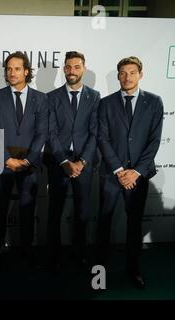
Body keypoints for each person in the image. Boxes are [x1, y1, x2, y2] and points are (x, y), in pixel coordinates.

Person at [96, 56, 164, 289]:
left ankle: (133, 269)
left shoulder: (154, 102)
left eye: (132, 72)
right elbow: (102, 138)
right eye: (123, 73)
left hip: (139, 175)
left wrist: (135, 172)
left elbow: (154, 141)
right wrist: (119, 170)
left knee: (134, 225)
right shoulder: (105, 103)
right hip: (111, 174)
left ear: (140, 74)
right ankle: (99, 273)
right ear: (118, 76)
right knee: (103, 223)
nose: (127, 77)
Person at [0, 51, 48, 266]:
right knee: (0, 209)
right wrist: (6, 159)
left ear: (27, 71)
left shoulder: (41, 98)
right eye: (9, 69)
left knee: (27, 209)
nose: (12, 73)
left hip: (29, 165)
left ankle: (26, 251)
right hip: (4, 164)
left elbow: (42, 133)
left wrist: (28, 160)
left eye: (17, 68)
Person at [43, 51, 100, 270]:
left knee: (82, 212)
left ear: (83, 68)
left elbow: (95, 132)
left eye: (76, 67)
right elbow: (51, 133)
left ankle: (79, 253)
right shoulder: (52, 97)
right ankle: (53, 255)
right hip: (59, 164)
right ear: (63, 69)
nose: (72, 71)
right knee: (55, 211)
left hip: (84, 165)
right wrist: (65, 162)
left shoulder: (94, 97)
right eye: (68, 67)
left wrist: (82, 161)